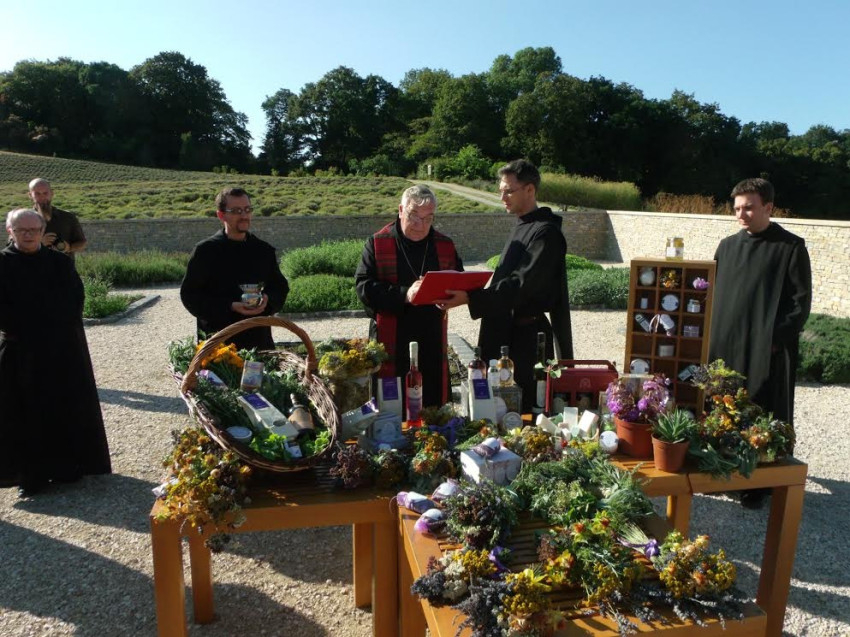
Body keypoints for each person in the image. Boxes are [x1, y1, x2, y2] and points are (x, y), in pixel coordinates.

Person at [709, 178, 812, 508]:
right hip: (725, 346)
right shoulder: (727, 247)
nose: (741, 214)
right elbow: (711, 292)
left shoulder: (790, 248)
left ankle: (758, 482)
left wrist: (774, 341)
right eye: (737, 208)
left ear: (768, 207)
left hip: (764, 351)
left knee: (761, 413)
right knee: (722, 408)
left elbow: (799, 303)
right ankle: (720, 469)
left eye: (749, 208)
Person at [441, 159, 573, 413]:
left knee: (522, 410)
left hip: (526, 341)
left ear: (530, 190)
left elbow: (520, 285)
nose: (502, 197)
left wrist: (471, 297)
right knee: (493, 408)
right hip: (503, 332)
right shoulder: (523, 226)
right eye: (500, 191)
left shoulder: (546, 234)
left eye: (508, 191)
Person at [0, 209, 111, 497]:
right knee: (24, 412)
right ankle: (31, 475)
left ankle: (66, 467)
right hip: (20, 351)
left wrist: (54, 324)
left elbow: (75, 299)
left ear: (42, 231)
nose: (28, 234)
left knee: (63, 405)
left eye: (33, 229)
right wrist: (28, 325)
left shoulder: (60, 263)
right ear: (10, 231)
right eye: (21, 230)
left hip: (59, 349)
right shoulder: (2, 264)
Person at [355, 185, 463, 408]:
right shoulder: (377, 242)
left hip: (432, 336)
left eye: (428, 218)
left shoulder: (444, 245)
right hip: (393, 336)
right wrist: (406, 294)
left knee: (433, 404)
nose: (420, 225)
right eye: (414, 215)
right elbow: (364, 288)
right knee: (392, 407)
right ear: (401, 210)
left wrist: (457, 295)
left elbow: (458, 280)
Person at [180, 187, 289, 351]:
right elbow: (190, 295)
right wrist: (229, 306)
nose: (244, 215)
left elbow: (279, 287)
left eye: (247, 209)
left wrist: (267, 301)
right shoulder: (205, 251)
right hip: (219, 347)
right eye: (237, 211)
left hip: (258, 343)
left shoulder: (263, 250)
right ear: (221, 215)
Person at [27, 178, 88, 261]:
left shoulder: (68, 217)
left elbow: (82, 243)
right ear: (30, 195)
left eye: (45, 193)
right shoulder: (23, 220)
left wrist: (68, 248)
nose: (42, 197)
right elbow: (13, 246)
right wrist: (38, 244)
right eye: (37, 193)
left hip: (64, 267)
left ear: (52, 193)